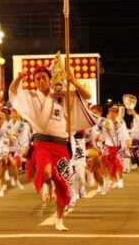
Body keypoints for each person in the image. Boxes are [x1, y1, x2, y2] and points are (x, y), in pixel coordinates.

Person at [9, 64, 97, 231]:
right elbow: (13, 92)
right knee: (46, 171)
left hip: (61, 144)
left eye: (44, 77)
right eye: (37, 79)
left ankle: (59, 220)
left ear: (49, 80)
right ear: (34, 82)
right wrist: (19, 78)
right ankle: (47, 184)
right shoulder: (31, 96)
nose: (41, 81)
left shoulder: (61, 95)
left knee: (64, 185)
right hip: (42, 144)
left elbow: (87, 95)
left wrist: (74, 82)